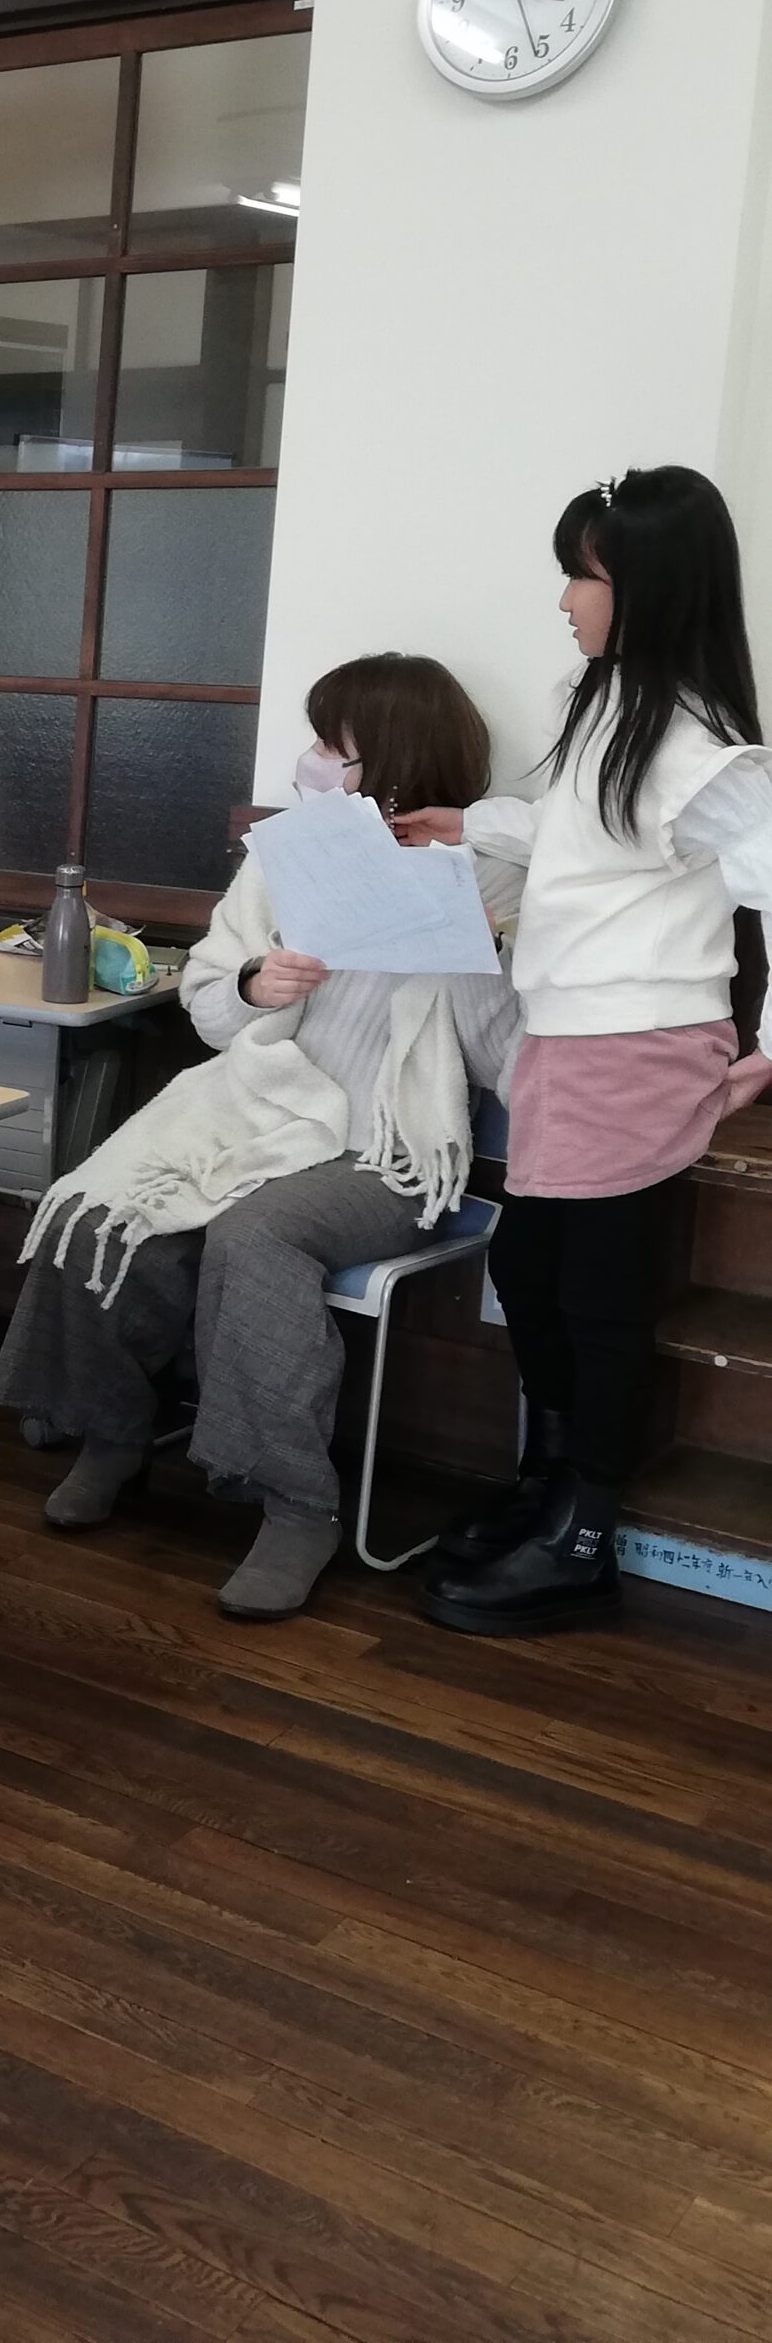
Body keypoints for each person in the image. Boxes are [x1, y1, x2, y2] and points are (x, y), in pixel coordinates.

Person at [0, 655, 521, 1623]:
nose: (311, 759)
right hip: (255, 1106)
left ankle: (296, 1505)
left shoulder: (493, 870)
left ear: (392, 755)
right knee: (99, 1202)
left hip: (384, 1149)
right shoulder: (288, 855)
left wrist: (475, 954)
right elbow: (205, 1005)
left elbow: (506, 1065)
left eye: (332, 744)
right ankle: (113, 1433)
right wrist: (252, 985)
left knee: (256, 1236)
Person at [394, 467, 772, 1635]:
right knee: (527, 1271)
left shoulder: (697, 745)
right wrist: (465, 825)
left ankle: (584, 1534)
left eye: (582, 576)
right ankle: (549, 1484)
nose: (564, 599)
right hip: (567, 1036)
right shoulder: (606, 699)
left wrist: (771, 1042)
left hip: (639, 1042)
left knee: (595, 1297)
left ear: (648, 586)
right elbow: (576, 827)